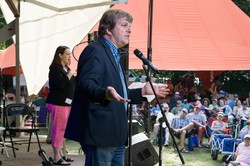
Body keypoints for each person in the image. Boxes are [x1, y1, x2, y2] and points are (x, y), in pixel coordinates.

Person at [64, 9, 169, 166]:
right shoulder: (95, 51)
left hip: (115, 133)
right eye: (124, 25)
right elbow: (85, 85)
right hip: (100, 131)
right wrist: (105, 93)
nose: (129, 29)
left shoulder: (113, 54)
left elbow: (119, 95)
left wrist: (142, 92)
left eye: (130, 26)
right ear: (108, 29)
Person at [46, 45, 76, 165]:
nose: (70, 56)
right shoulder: (55, 68)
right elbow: (61, 84)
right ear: (60, 55)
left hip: (66, 103)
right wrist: (69, 74)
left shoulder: (66, 68)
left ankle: (61, 154)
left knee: (63, 129)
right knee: (58, 129)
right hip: (58, 103)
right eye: (67, 54)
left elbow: (71, 86)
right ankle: (56, 157)